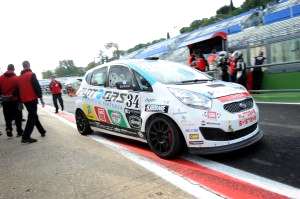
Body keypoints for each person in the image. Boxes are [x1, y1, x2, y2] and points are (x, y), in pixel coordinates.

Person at [18, 61, 46, 143]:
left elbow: (18, 90)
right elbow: (37, 87)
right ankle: (25, 136)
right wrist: (41, 99)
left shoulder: (19, 77)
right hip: (32, 99)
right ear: (29, 65)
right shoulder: (31, 74)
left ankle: (42, 131)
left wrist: (20, 102)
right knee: (32, 116)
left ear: (23, 66)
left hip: (25, 100)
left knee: (33, 115)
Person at [0, 64, 23, 137]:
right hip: (15, 100)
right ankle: (19, 131)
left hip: (5, 101)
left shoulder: (0, 78)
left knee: (7, 117)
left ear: (7, 69)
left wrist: (3, 96)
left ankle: (9, 130)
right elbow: (19, 90)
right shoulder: (17, 78)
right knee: (18, 116)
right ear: (13, 69)